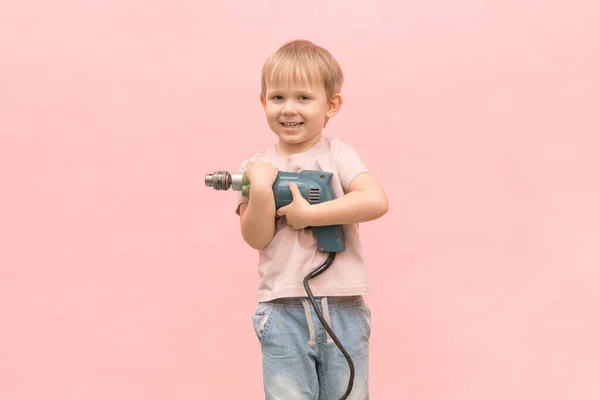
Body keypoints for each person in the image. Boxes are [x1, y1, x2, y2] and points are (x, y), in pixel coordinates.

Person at [235, 39, 389, 400]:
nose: (289, 109)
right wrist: (259, 191)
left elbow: (375, 201)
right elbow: (256, 237)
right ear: (263, 102)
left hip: (343, 305)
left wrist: (311, 215)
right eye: (278, 98)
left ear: (331, 105)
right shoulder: (254, 168)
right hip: (281, 307)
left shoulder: (338, 155)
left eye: (303, 98)